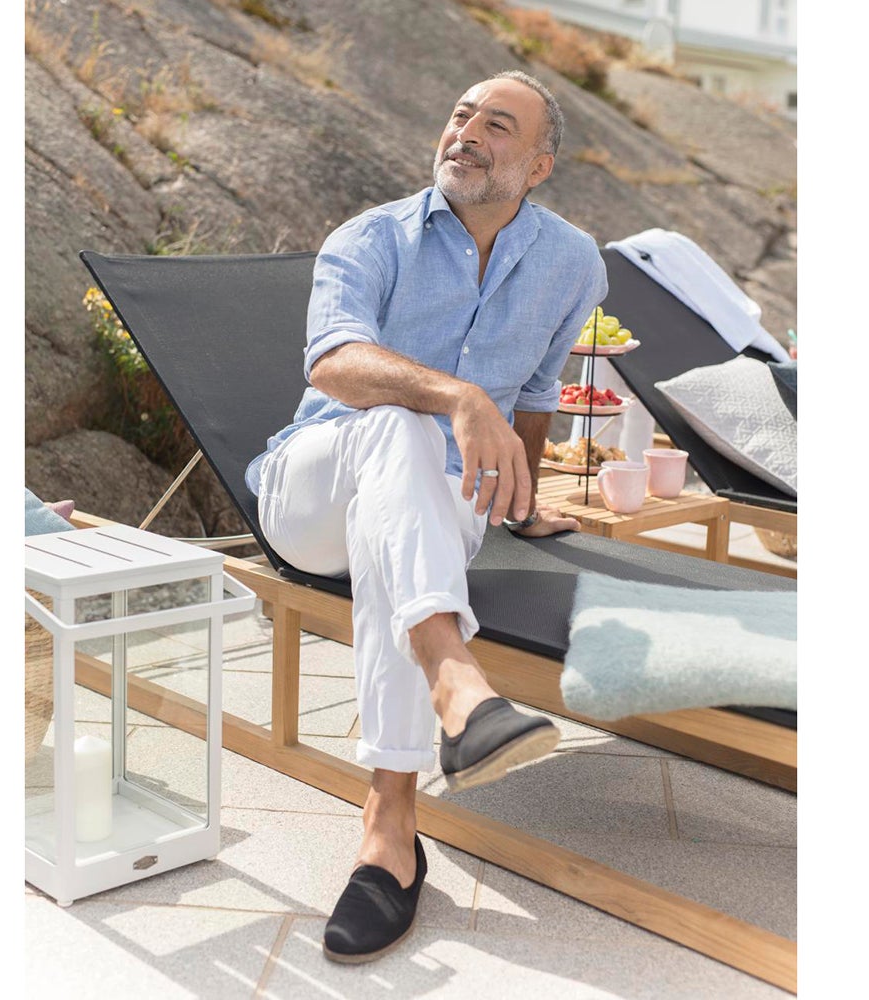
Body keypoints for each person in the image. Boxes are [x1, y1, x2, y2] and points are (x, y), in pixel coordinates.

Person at [244, 70, 608, 962]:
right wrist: (456, 397)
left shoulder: (573, 263)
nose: (467, 133)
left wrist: (523, 500)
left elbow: (535, 391)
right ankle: (450, 687)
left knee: (410, 527)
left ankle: (393, 829)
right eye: (460, 115)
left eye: (498, 125)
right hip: (314, 489)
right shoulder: (371, 239)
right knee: (397, 427)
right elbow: (333, 363)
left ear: (539, 166)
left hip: (443, 504)